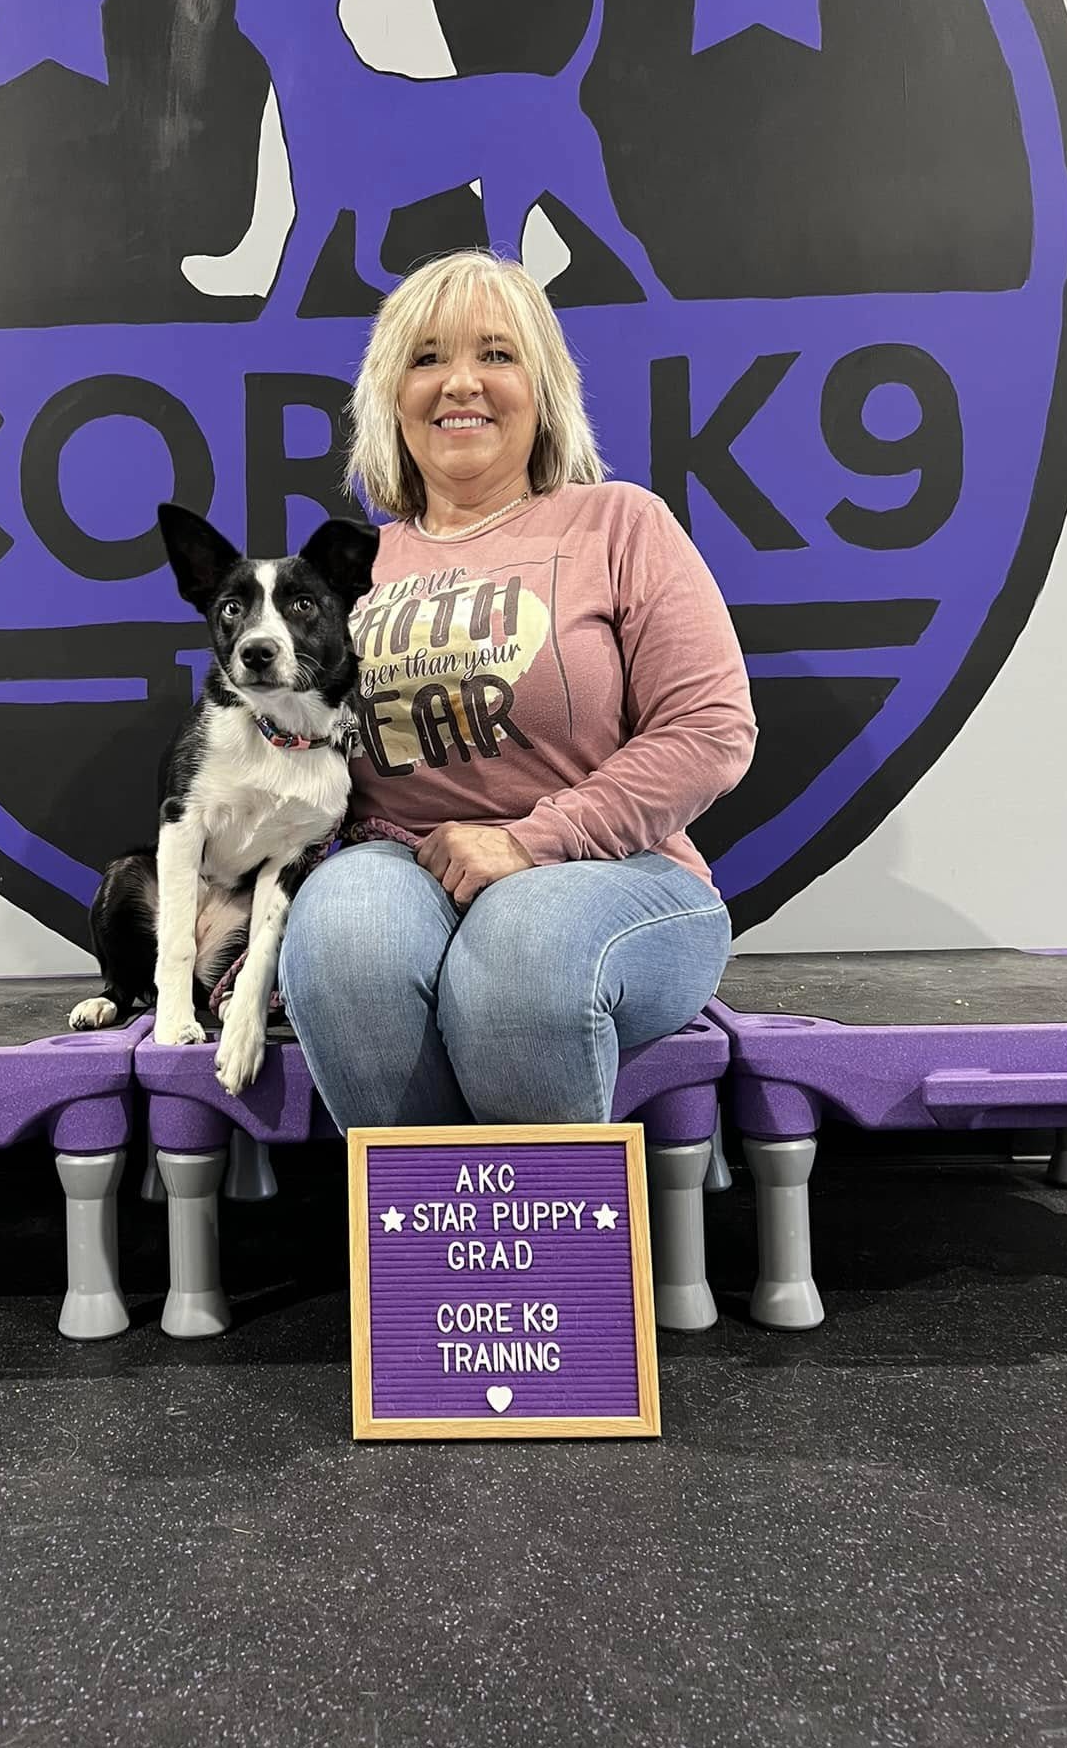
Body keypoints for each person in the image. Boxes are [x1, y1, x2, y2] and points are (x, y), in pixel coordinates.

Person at [277, 251, 755, 1128]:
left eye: (496, 355)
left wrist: (534, 842)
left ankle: (541, 1262)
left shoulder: (618, 523)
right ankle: (433, 1257)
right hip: (402, 863)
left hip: (616, 874)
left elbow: (709, 728)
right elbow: (298, 763)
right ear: (389, 396)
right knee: (344, 935)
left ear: (545, 389)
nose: (461, 382)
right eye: (426, 359)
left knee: (520, 953)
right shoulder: (348, 570)